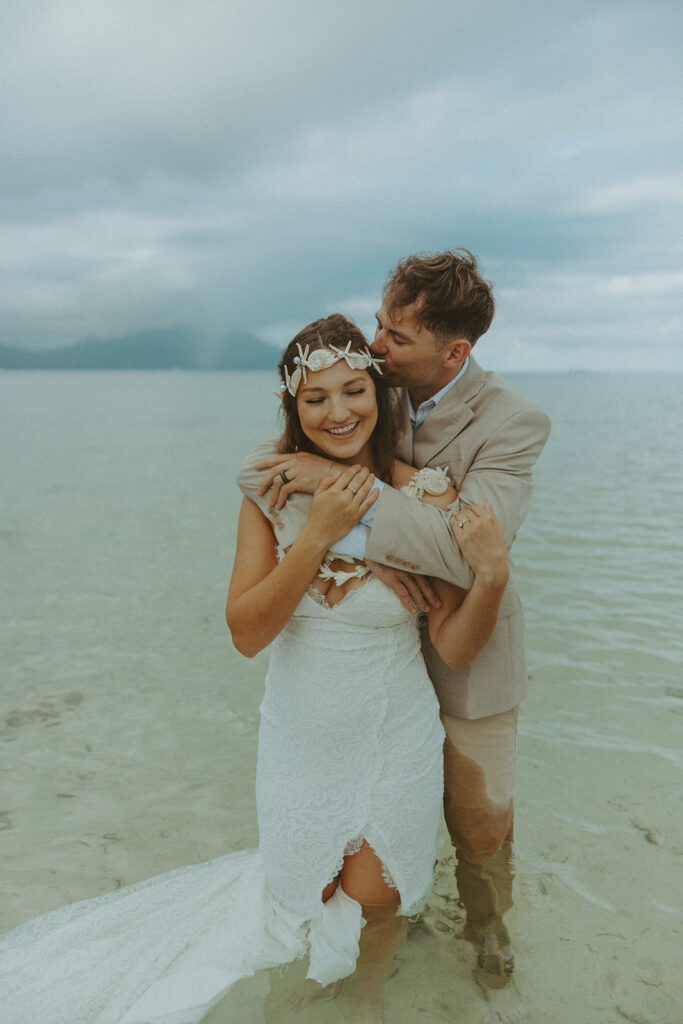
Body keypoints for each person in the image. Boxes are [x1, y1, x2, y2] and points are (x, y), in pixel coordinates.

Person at [0, 316, 509, 1024]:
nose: (338, 413)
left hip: (397, 734)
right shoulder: (269, 492)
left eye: (353, 390)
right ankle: (302, 998)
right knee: (301, 896)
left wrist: (489, 576)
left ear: (379, 392)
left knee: (379, 896)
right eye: (316, 399)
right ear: (293, 410)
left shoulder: (423, 497)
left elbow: (455, 647)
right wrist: (320, 539)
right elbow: (245, 633)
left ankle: (367, 1001)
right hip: (302, 738)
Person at [238, 249, 552, 987]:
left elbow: (470, 551)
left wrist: (355, 503)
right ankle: (385, 930)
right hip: (361, 657)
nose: (377, 344)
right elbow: (268, 462)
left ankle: (485, 926)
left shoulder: (514, 422)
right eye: (379, 325)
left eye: (395, 337)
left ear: (455, 351)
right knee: (369, 848)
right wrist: (353, 531)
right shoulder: (366, 384)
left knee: (478, 824)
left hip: (460, 655)